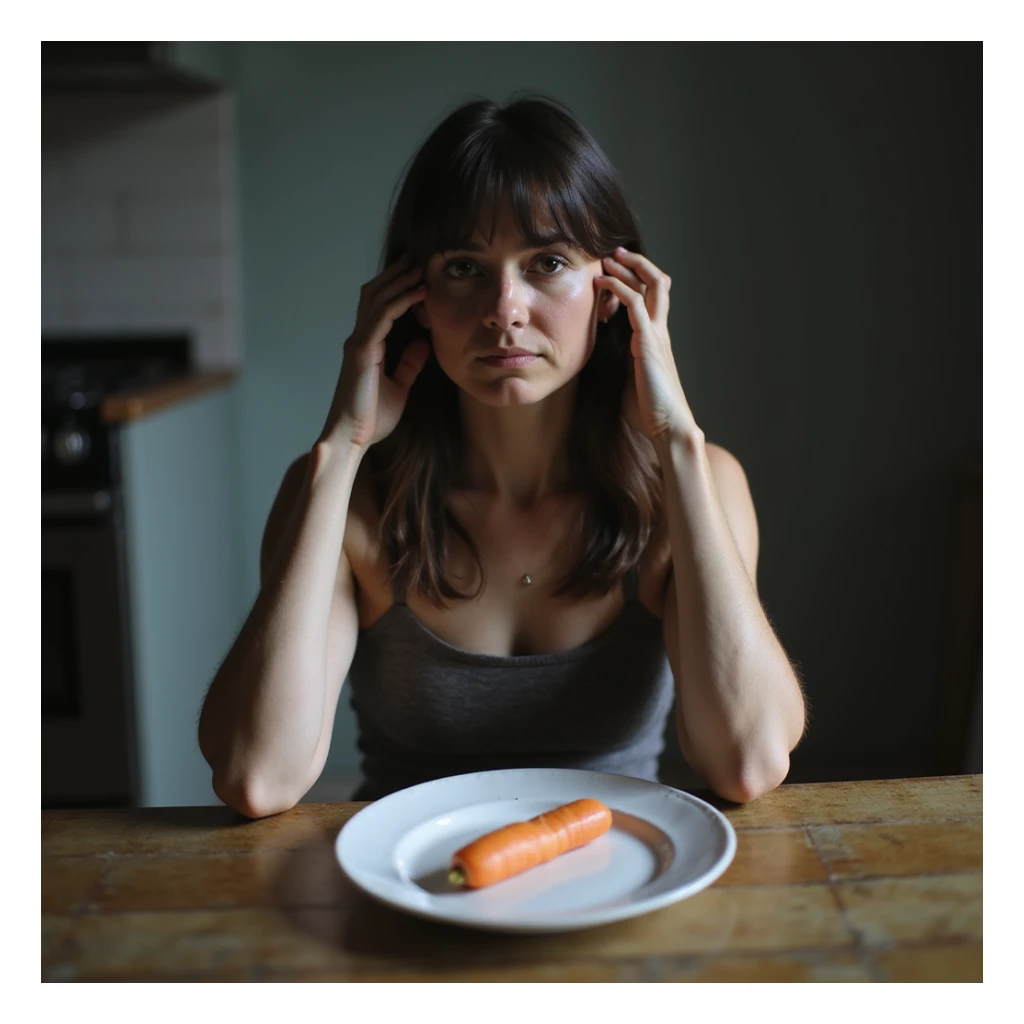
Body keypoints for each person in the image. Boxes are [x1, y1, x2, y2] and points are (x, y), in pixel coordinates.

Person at [198, 93, 807, 817]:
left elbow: (747, 760)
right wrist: (342, 446)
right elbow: (255, 774)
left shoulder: (700, 482)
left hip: (624, 888)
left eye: (547, 262)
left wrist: (676, 441)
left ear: (614, 291)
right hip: (407, 897)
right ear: (412, 296)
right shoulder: (343, 494)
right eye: (463, 267)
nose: (504, 308)